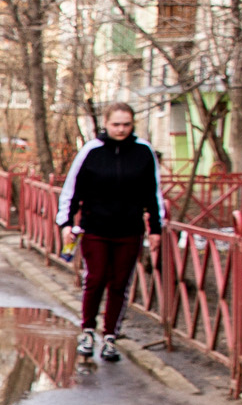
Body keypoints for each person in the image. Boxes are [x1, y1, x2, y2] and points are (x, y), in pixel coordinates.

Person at [54, 103, 164, 363]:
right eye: (116, 124)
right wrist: (66, 223)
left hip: (130, 230)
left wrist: (156, 228)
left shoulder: (144, 152)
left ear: (132, 124)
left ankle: (111, 336)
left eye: (126, 124)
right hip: (96, 228)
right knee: (96, 278)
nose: (121, 129)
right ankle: (88, 331)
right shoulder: (91, 151)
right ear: (106, 124)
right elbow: (72, 190)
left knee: (120, 284)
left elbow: (153, 192)